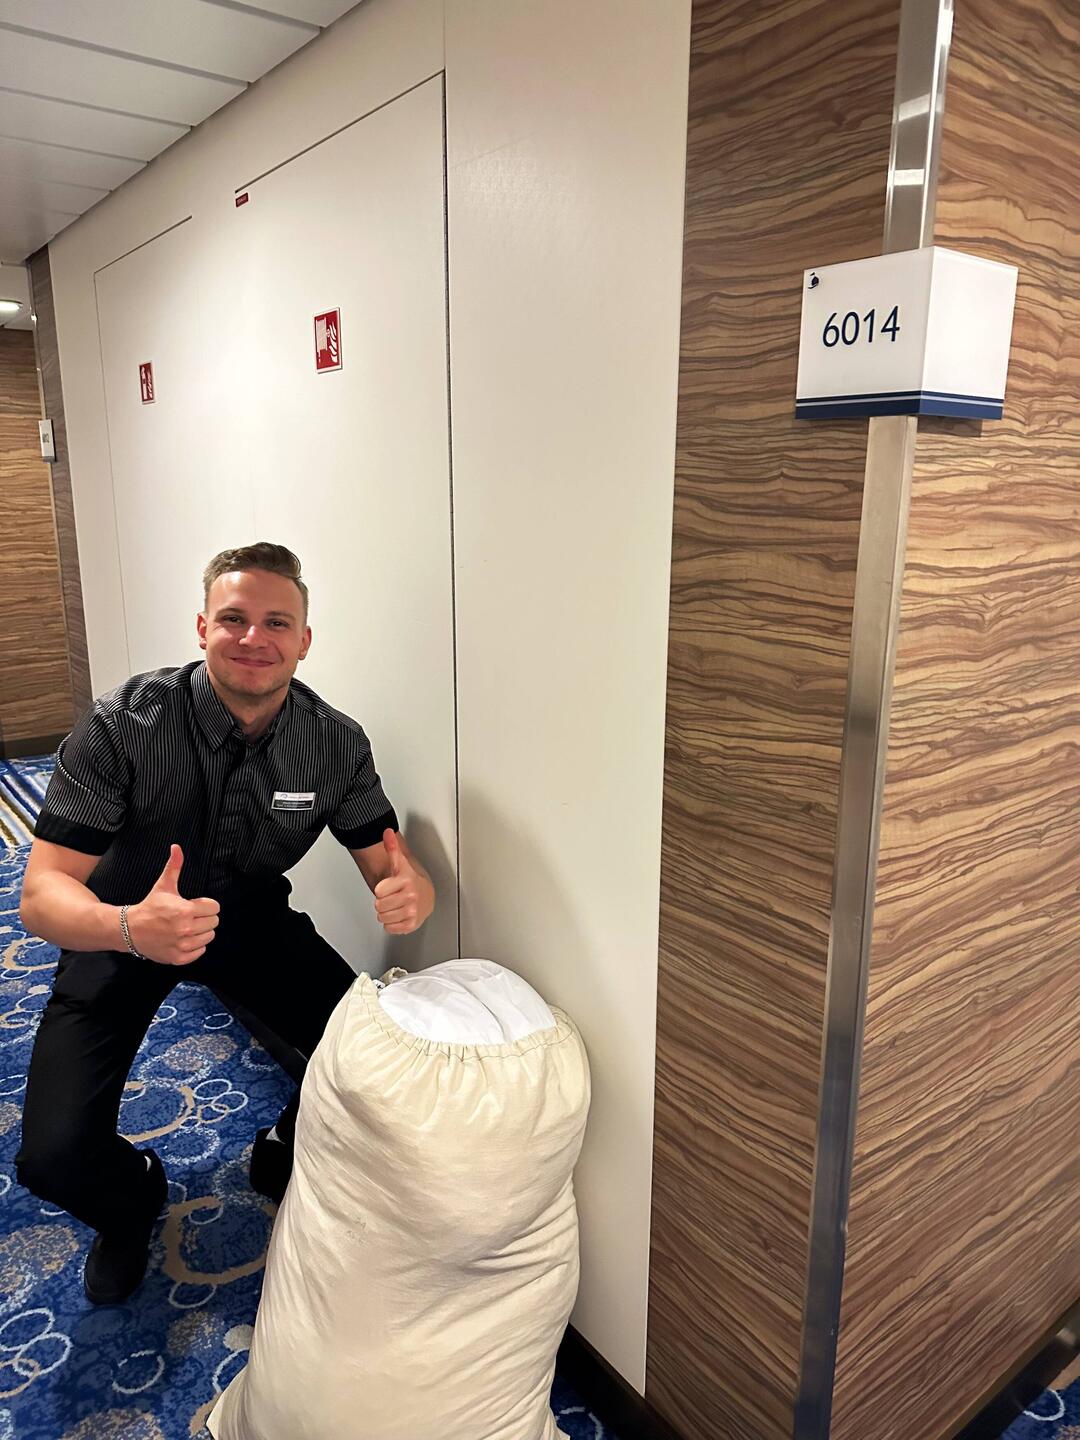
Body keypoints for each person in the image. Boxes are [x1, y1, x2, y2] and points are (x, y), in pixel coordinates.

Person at [16, 542, 434, 1305]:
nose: (254, 638)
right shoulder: (124, 725)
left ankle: (282, 1146)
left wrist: (412, 892)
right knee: (52, 1158)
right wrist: (129, 927)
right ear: (203, 626)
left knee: (372, 1056)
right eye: (234, 618)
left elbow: (390, 864)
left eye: (277, 622)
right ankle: (133, 1198)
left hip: (247, 919)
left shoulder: (334, 743)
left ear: (304, 641)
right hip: (122, 921)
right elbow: (42, 896)